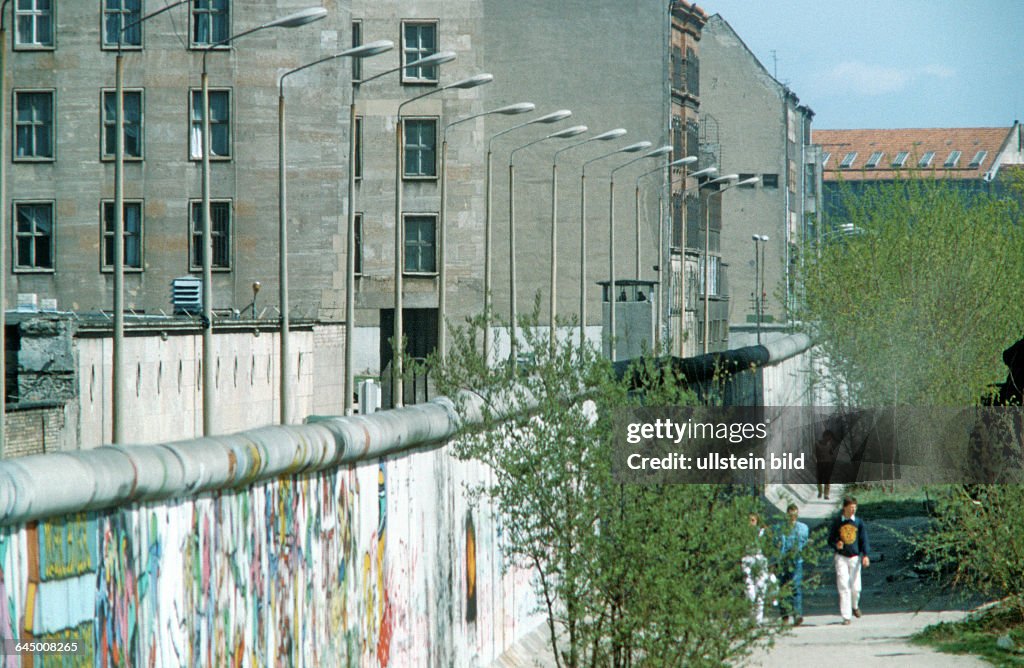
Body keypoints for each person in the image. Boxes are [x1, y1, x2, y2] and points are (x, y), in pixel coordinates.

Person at [828, 496, 870, 625]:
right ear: (844, 508)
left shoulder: (858, 522)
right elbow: (830, 540)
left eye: (855, 508)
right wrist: (837, 545)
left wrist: (866, 555)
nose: (853, 510)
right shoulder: (837, 522)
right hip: (841, 557)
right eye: (851, 507)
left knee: (856, 588)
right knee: (843, 585)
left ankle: (855, 606)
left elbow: (864, 540)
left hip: (854, 557)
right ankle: (846, 616)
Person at [776, 503, 809, 626]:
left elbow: (804, 544)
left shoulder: (803, 528)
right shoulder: (780, 529)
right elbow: (776, 543)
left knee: (796, 587)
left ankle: (797, 614)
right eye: (790, 515)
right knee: (783, 588)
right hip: (783, 560)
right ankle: (785, 615)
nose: (792, 517)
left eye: (795, 514)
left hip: (796, 561)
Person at [742, 513, 769, 625]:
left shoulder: (762, 533)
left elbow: (769, 547)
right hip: (747, 558)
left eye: (753, 520)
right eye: (749, 520)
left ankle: (758, 619)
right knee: (749, 590)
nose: (751, 523)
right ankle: (751, 615)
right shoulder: (742, 533)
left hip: (760, 558)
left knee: (760, 587)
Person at [814, 429, 837, 499]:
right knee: (819, 479)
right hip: (820, 463)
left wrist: (832, 459)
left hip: (828, 464)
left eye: (830, 438)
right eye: (829, 437)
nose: (829, 439)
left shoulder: (830, 445)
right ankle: (820, 492)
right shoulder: (817, 444)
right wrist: (815, 461)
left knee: (827, 479)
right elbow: (814, 454)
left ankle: (826, 494)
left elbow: (832, 453)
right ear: (825, 436)